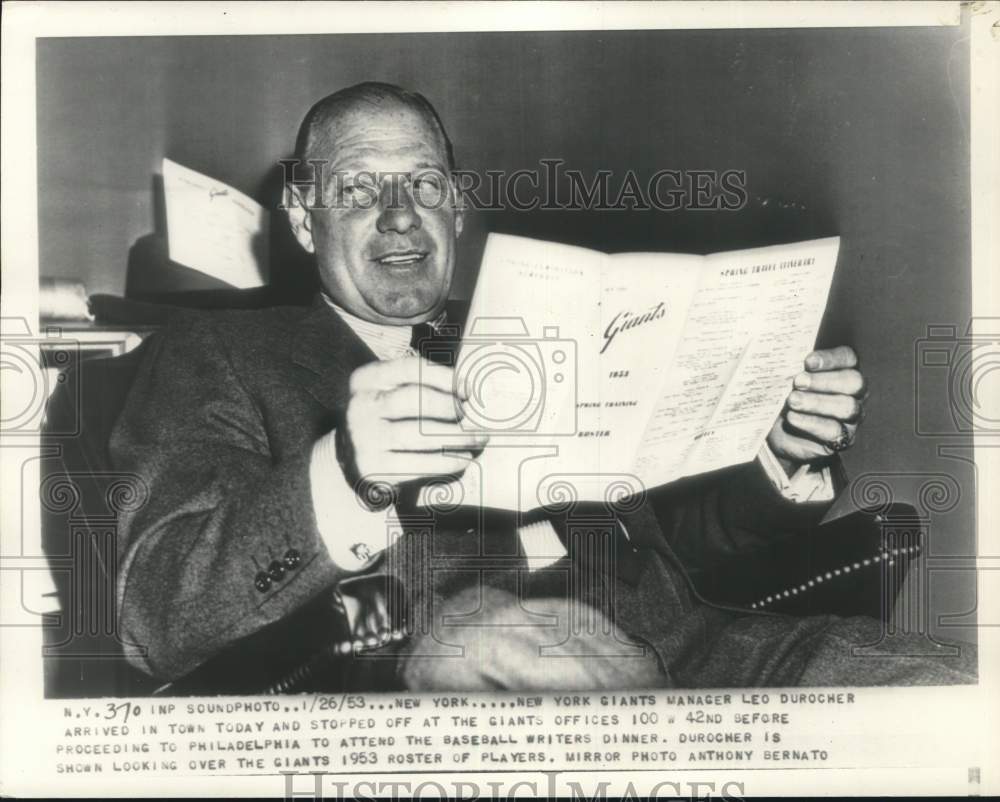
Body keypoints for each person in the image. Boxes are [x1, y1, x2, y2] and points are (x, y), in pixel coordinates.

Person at [110, 82, 975, 691]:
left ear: (455, 206)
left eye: (423, 184)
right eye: (359, 189)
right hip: (456, 664)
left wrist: (777, 457)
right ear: (304, 218)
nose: (400, 214)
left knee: (951, 691)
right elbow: (156, 617)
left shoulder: (538, 326)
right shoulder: (215, 352)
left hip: (708, 652)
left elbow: (673, 546)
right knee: (505, 645)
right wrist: (346, 475)